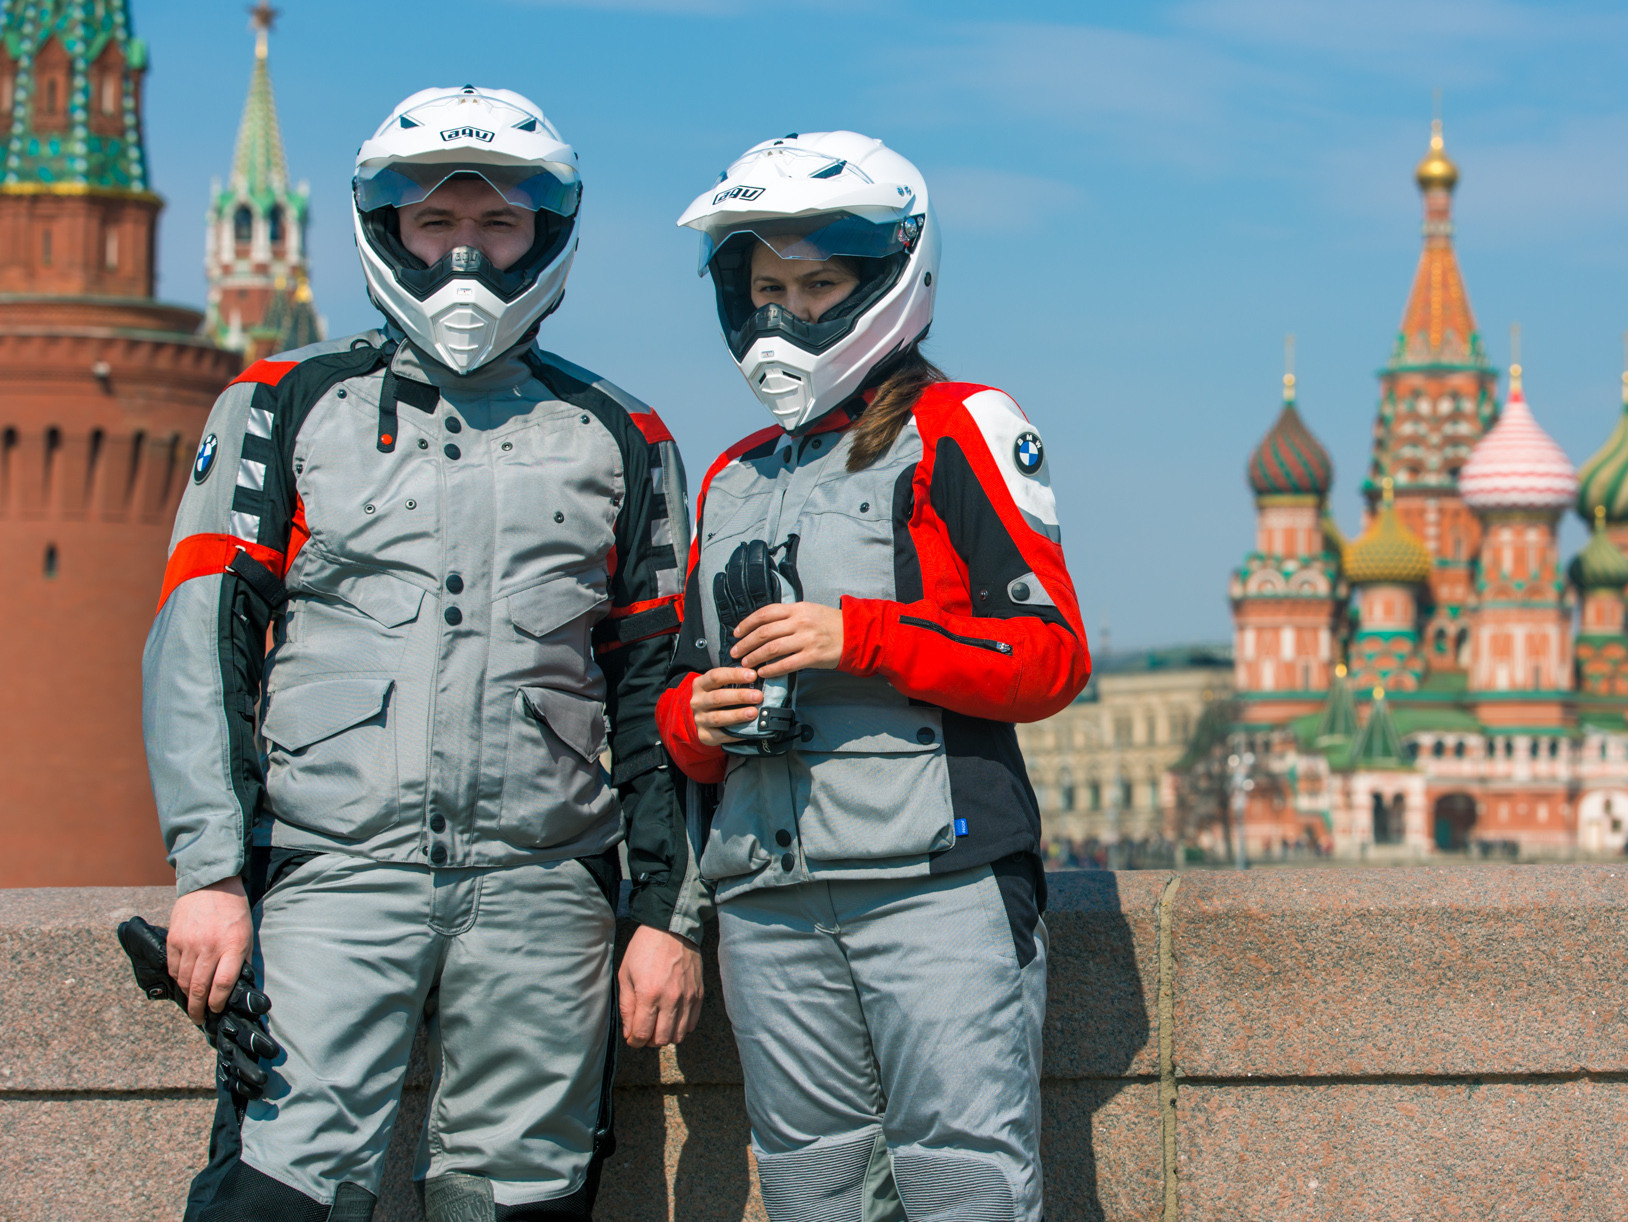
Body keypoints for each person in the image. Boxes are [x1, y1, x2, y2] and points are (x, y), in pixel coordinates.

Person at [144, 85, 705, 1221]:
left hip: (546, 887)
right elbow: (202, 639)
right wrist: (208, 870)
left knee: (520, 1204)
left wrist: (665, 913)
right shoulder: (281, 403)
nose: (465, 255)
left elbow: (659, 689)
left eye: (496, 225)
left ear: (544, 233)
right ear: (386, 229)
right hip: (329, 873)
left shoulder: (623, 434)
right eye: (434, 224)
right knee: (273, 1195)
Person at [660, 130, 1091, 1222]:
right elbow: (680, 700)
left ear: (888, 279)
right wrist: (694, 716)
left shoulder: (960, 428)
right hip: (768, 899)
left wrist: (863, 637)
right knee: (811, 1195)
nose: (785, 318)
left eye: (817, 287)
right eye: (765, 290)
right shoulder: (732, 474)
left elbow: (1049, 657)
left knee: (963, 1187)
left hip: (933, 884)